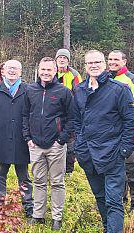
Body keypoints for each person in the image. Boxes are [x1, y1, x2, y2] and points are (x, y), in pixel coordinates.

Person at [71, 50, 134, 233]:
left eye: (98, 62)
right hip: (88, 154)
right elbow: (76, 120)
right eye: (89, 62)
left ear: (105, 64)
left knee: (113, 199)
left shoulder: (119, 89)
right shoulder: (79, 89)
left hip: (112, 154)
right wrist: (79, 146)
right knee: (100, 197)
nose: (94, 66)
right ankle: (108, 231)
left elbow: (130, 122)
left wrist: (124, 150)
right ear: (85, 65)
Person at [22, 57, 73, 230]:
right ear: (38, 70)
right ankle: (38, 215)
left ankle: (57, 218)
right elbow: (25, 115)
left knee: (57, 182)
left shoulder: (63, 92)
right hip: (35, 145)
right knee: (38, 181)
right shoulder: (30, 90)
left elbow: (72, 118)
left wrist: (61, 140)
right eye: (42, 69)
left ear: (55, 71)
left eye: (49, 70)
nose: (45, 73)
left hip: (56, 145)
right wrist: (28, 138)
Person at [0, 60, 33, 219]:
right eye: (9, 68)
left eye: (15, 69)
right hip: (1, 138)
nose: (12, 71)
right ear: (3, 71)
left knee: (23, 176)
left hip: (21, 139)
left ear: (21, 72)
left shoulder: (28, 90)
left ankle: (28, 205)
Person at [108, 50, 134, 213]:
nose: (112, 62)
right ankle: (121, 198)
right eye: (110, 59)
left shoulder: (133, 80)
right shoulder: (107, 78)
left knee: (131, 167)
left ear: (124, 61)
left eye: (116, 59)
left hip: (129, 134)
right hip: (112, 134)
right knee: (116, 168)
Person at [55, 48, 82, 176]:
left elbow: (80, 94)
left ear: (68, 61)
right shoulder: (50, 72)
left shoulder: (74, 75)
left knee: (70, 143)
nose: (62, 60)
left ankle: (68, 171)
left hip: (70, 113)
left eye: (64, 58)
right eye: (59, 57)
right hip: (53, 113)